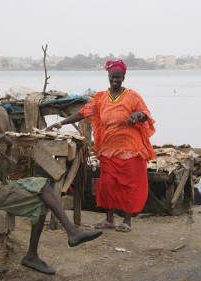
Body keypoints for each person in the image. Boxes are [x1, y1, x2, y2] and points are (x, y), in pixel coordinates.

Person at [0, 106, 102, 275]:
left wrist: (7, 149)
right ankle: (37, 253)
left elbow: (1, 177)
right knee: (40, 202)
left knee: (42, 184)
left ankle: (70, 234)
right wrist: (12, 186)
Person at [46, 60, 156, 233]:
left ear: (123, 78)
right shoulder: (100, 98)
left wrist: (137, 115)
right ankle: (109, 219)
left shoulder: (132, 96)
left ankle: (127, 220)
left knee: (130, 185)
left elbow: (145, 114)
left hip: (130, 149)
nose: (115, 80)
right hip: (108, 149)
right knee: (107, 185)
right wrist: (60, 124)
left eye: (118, 78)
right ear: (108, 77)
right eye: (112, 77)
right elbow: (81, 113)